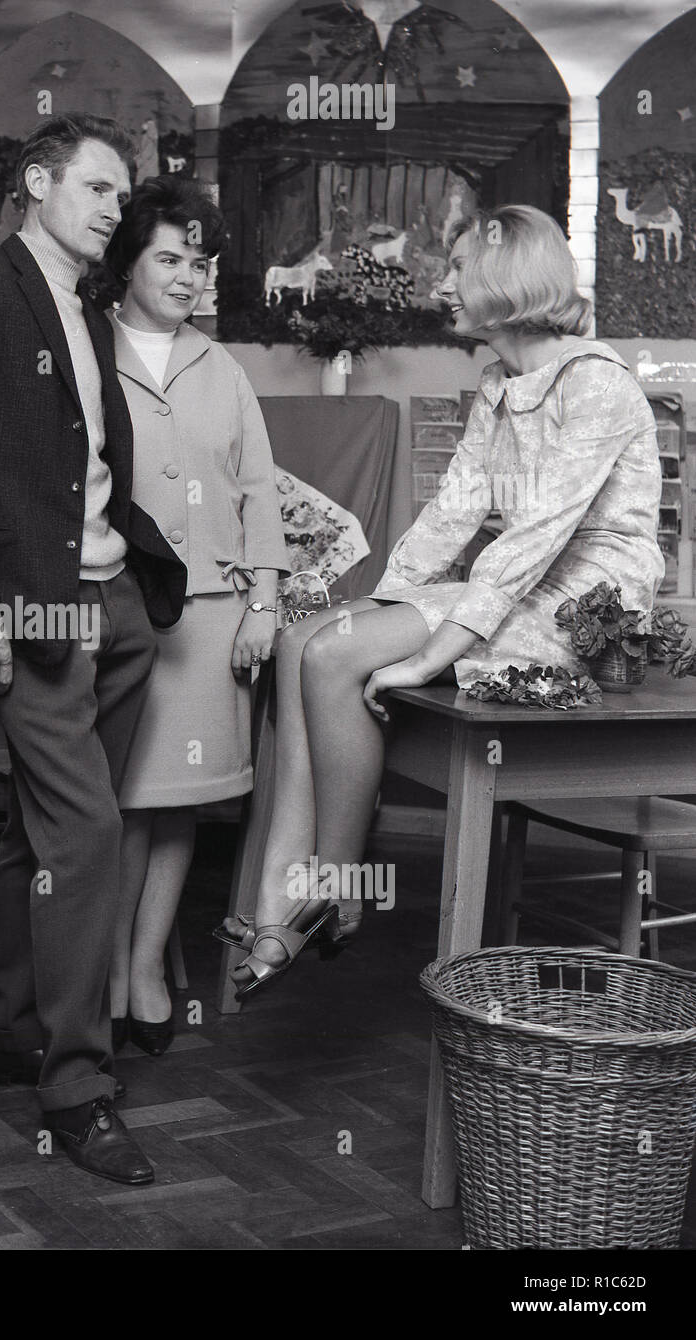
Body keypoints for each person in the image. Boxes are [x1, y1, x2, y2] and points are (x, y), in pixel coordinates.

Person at [217, 204, 664, 996]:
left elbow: (536, 534)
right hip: (519, 582)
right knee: (303, 638)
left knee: (334, 654)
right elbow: (452, 512)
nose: (442, 283)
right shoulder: (499, 382)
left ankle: (335, 891)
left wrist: (425, 651)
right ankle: (280, 892)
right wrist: (382, 610)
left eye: (456, 269)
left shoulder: (597, 384)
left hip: (585, 602)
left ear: (503, 279)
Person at [0, 114, 186, 1186]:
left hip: (115, 604)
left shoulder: (84, 298)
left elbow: (88, 458)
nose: (117, 208)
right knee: (88, 832)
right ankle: (77, 1088)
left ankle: (9, 1025)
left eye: (125, 193)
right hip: (33, 607)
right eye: (100, 188)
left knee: (40, 828)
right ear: (37, 182)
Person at [100, 177, 289, 1054]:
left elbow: (260, 492)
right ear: (128, 261)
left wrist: (265, 601)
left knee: (177, 806)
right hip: (117, 605)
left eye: (199, 262)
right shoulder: (83, 352)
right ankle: (102, 972)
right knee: (119, 802)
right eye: (168, 257)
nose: (186, 276)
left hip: (212, 614)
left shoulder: (225, 368)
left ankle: (141, 970)